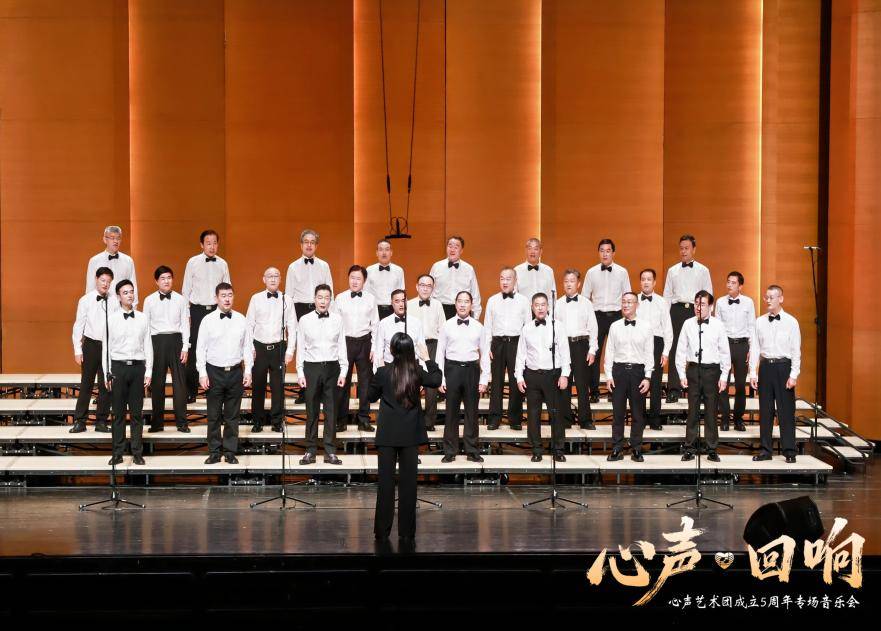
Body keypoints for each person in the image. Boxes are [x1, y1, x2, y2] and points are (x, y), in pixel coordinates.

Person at [369, 333, 442, 542]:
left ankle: (382, 531)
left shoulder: (383, 372)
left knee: (385, 484)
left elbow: (370, 397)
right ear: (411, 351)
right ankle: (407, 531)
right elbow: (436, 379)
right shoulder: (416, 371)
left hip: (387, 435)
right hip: (410, 434)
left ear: (392, 350)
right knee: (408, 485)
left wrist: (377, 376)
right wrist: (428, 358)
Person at [197, 282, 253, 465]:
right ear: (216, 298)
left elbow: (247, 347)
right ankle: (214, 451)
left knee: (232, 416)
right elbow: (200, 349)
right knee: (213, 415)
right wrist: (202, 373)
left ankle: (230, 451)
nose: (227, 299)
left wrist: (248, 370)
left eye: (230, 295)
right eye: (223, 295)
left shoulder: (241, 319)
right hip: (214, 372)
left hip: (235, 372)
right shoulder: (207, 321)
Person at [675, 291, 730, 462]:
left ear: (711, 307)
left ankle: (712, 448)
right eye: (696, 304)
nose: (698, 307)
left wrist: (724, 376)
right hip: (693, 370)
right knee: (692, 411)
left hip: (712, 371)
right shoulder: (687, 324)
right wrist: (681, 373)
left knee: (711, 411)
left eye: (703, 304)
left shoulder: (718, 325)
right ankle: (689, 447)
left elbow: (724, 352)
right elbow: (680, 350)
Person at [515, 292, 571, 462]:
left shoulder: (558, 326)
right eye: (537, 305)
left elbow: (565, 352)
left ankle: (558, 449)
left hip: (552, 375)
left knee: (556, 414)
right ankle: (536, 449)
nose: (540, 308)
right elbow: (521, 354)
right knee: (533, 415)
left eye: (543, 304)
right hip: (532, 376)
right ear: (532, 308)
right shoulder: (526, 328)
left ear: (548, 307)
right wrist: (519, 377)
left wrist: (565, 374)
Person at [296, 284, 347, 464]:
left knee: (331, 411)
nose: (323, 301)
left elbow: (341, 345)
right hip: (311, 368)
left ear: (330, 300)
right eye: (320, 297)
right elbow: (300, 347)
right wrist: (300, 372)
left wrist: (344, 371)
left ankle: (330, 451)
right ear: (314, 299)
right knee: (312, 411)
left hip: (332, 368)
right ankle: (310, 451)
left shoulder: (338, 320)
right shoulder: (304, 320)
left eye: (326, 298)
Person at [102, 279, 152, 465]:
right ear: (118, 296)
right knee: (118, 413)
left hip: (138, 368)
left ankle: (137, 452)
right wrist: (107, 372)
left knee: (137, 413)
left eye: (131, 291)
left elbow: (148, 345)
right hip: (118, 368)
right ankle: (118, 453)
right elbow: (106, 348)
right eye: (125, 292)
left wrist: (149, 371)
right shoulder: (111, 319)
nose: (130, 295)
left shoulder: (143, 318)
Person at [437, 291, 490, 463]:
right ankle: (450, 451)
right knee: (450, 412)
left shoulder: (479, 327)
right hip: (451, 369)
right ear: (455, 303)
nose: (462, 304)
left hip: (471, 370)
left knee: (472, 413)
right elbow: (440, 353)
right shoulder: (446, 325)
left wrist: (484, 378)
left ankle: (472, 450)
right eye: (459, 301)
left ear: (471, 304)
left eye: (466, 301)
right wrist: (440, 378)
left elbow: (485, 353)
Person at [750, 285, 801, 463]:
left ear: (781, 299)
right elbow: (755, 348)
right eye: (766, 297)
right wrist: (753, 372)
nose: (768, 300)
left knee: (786, 411)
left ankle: (789, 451)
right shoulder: (759, 321)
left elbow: (796, 351)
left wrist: (793, 375)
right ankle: (766, 450)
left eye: (772, 297)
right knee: (765, 411)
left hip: (783, 367)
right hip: (765, 367)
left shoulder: (791, 322)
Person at [182, 229, 231, 402]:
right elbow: (186, 290)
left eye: (215, 243)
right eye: (208, 243)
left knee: (218, 348)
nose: (212, 246)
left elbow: (227, 288)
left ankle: (217, 390)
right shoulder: (193, 262)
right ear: (201, 245)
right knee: (195, 349)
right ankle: (191, 391)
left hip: (217, 310)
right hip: (197, 310)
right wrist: (187, 314)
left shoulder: (223, 264)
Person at [245, 267, 296, 433]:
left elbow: (292, 326)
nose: (273, 279)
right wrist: (250, 348)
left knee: (278, 387)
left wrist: (290, 350)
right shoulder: (256, 298)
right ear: (264, 279)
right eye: (269, 276)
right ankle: (257, 421)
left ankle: (277, 421)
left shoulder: (287, 299)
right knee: (258, 386)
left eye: (276, 276)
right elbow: (249, 325)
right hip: (259, 347)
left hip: (278, 347)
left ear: (280, 279)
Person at [604, 292, 653, 462]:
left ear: (637, 305)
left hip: (638, 372)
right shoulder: (614, 326)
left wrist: (648, 377)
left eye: (629, 302)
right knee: (617, 413)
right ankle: (617, 448)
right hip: (619, 371)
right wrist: (608, 375)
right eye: (623, 302)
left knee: (638, 414)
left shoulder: (646, 327)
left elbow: (649, 353)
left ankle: (636, 448)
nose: (626, 305)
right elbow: (609, 351)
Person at [663, 234, 712, 402]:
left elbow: (708, 294)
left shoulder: (703, 270)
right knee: (675, 348)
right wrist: (665, 319)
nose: (683, 251)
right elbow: (667, 296)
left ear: (694, 249)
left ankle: (699, 389)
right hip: (676, 311)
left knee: (699, 347)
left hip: (695, 310)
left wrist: (706, 316)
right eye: (681, 248)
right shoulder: (672, 270)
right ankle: (673, 389)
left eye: (687, 248)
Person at [582, 238, 631, 403]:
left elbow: (627, 296)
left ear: (613, 253)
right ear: (598, 253)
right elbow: (584, 298)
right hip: (596, 316)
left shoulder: (622, 272)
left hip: (616, 316)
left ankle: (614, 391)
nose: (605, 254)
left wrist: (626, 318)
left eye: (608, 251)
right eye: (602, 251)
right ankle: (594, 391)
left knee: (617, 354)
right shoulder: (591, 272)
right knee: (593, 354)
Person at [143, 265, 190, 433]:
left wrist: (185, 346)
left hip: (176, 341)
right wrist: (147, 350)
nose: (166, 281)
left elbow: (185, 324)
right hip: (156, 342)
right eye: (162, 278)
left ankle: (182, 423)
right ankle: (157, 423)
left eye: (169, 277)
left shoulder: (181, 300)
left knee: (180, 384)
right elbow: (145, 327)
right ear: (156, 281)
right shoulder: (149, 300)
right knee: (157, 384)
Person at [483, 267, 531, 430]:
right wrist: (487, 347)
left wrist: (526, 350)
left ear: (515, 281)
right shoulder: (492, 300)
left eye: (508, 279)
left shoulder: (524, 301)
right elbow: (487, 326)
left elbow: (528, 327)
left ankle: (515, 419)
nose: (504, 282)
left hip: (516, 343)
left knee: (516, 380)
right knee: (496, 382)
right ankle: (494, 418)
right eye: (502, 278)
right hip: (497, 343)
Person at [71, 267, 118, 433]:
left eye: (108, 282)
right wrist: (77, 349)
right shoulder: (85, 300)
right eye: (103, 280)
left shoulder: (115, 300)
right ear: (96, 279)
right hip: (90, 345)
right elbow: (78, 325)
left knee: (106, 384)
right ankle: (80, 421)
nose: (105, 284)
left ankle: (101, 421)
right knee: (86, 383)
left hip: (109, 346)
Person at [332, 265, 378, 432]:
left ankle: (364, 419)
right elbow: (334, 324)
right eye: (352, 277)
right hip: (345, 342)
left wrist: (374, 347)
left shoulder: (371, 299)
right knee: (342, 382)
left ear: (364, 281)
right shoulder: (340, 298)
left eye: (358, 278)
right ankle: (341, 420)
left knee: (366, 383)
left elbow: (376, 325)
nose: (355, 281)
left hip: (365, 342)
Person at [555, 269, 598, 429]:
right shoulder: (558, 303)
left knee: (582, 384)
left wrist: (592, 350)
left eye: (572, 281)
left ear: (578, 284)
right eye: (566, 281)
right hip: (564, 346)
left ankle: (585, 420)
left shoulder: (586, 303)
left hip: (581, 345)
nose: (569, 284)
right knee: (564, 383)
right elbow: (554, 329)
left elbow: (593, 328)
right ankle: (565, 420)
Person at [714, 271, 755, 431]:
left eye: (733, 282)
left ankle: (738, 419)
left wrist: (751, 348)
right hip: (725, 345)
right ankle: (724, 419)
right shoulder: (720, 302)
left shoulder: (748, 302)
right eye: (728, 282)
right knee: (722, 383)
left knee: (740, 385)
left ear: (740, 286)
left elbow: (752, 327)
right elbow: (717, 327)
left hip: (742, 345)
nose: (729, 285)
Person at [636, 268, 673, 430]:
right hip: (638, 343)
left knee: (656, 383)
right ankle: (640, 418)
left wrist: (665, 352)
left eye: (649, 279)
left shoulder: (662, 302)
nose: (646, 282)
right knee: (639, 381)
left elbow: (668, 330)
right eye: (643, 279)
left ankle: (655, 419)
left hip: (657, 343)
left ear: (654, 282)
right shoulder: (634, 300)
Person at [407, 274, 446, 430]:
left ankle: (429, 422)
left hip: (432, 346)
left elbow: (442, 329)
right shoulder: (409, 304)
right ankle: (412, 421)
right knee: (412, 384)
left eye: (429, 286)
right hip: (414, 346)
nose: (425, 288)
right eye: (422, 285)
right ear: (417, 286)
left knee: (431, 386)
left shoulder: (437, 305)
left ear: (433, 288)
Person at [285, 228, 334, 321]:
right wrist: (289, 319)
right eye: (306, 242)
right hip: (299, 310)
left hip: (320, 308)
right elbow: (288, 296)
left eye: (312, 242)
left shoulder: (324, 266)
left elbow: (330, 292)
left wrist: (330, 314)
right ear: (301, 245)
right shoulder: (292, 267)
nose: (309, 245)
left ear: (316, 246)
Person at [429, 236, 482, 319]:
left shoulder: (469, 269)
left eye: (456, 247)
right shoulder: (436, 266)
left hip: (462, 309)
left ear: (461, 251)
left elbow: (475, 294)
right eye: (450, 246)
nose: (452, 249)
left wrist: (476, 317)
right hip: (440, 309)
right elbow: (429, 290)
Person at [373, 289, 426, 371]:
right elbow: (379, 350)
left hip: (412, 368)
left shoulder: (416, 323)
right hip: (390, 368)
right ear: (392, 303)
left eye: (403, 301)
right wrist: (379, 371)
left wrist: (423, 370)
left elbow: (422, 348)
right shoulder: (384, 323)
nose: (401, 304)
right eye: (397, 301)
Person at [85, 225, 138, 305]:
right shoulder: (94, 261)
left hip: (122, 306)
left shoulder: (128, 261)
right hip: (101, 305)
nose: (116, 241)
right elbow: (90, 287)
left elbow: (133, 285)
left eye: (118, 238)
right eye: (112, 238)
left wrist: (133, 306)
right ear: (105, 239)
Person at [365, 239, 405, 320]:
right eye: (381, 250)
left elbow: (402, 293)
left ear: (391, 253)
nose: (384, 253)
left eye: (387, 249)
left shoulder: (399, 270)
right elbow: (366, 293)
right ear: (377, 253)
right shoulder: (369, 270)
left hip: (393, 310)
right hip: (374, 310)